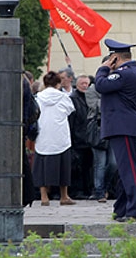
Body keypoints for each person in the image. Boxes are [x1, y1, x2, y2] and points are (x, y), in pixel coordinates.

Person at [95, 39, 136, 222]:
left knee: (129, 170)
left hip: (123, 126)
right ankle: (122, 209)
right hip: (128, 125)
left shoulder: (123, 74)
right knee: (124, 170)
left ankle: (135, 211)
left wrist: (103, 68)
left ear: (115, 57)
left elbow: (100, 85)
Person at [32, 71, 76, 207]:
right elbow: (71, 110)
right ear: (58, 83)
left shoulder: (38, 98)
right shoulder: (64, 97)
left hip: (43, 135)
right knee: (63, 167)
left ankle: (44, 197)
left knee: (41, 167)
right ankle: (64, 196)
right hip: (60, 136)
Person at [68, 74, 93, 199]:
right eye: (82, 83)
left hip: (89, 138)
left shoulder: (91, 98)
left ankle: (87, 189)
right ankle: (77, 191)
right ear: (77, 85)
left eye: (87, 84)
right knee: (77, 166)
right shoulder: (73, 99)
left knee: (88, 166)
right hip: (78, 138)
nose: (85, 86)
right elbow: (72, 121)